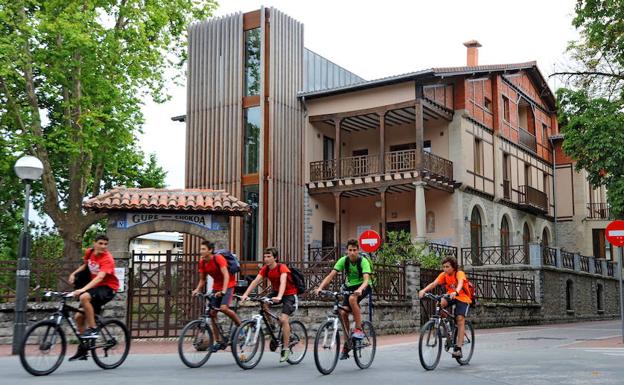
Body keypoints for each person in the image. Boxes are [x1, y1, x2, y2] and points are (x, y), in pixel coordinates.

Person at [314, 239, 372, 359]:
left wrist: (360, 289)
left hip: (363, 286)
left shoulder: (363, 261)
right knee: (343, 312)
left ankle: (358, 329)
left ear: (358, 250)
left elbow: (366, 279)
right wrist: (320, 288)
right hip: (349, 287)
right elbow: (331, 275)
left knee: (352, 299)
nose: (352, 253)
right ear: (346, 251)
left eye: (354, 250)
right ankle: (347, 344)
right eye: (350, 250)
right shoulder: (343, 260)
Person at [241, 247, 298, 363]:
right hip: (276, 292)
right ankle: (272, 326)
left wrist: (279, 297)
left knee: (283, 319)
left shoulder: (282, 267)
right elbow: (255, 281)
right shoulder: (265, 269)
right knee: (264, 304)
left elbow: (283, 282)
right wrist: (245, 294)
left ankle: (286, 348)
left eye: (269, 256)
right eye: (265, 256)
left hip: (289, 294)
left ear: (275, 258)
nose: (266, 259)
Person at [67, 234, 119, 361]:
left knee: (84, 297)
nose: (103, 246)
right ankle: (84, 349)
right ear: (94, 243)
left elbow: (100, 277)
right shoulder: (89, 252)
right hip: (95, 288)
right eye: (100, 243)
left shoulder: (108, 259)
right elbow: (85, 266)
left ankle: (93, 328)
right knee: (78, 317)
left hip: (108, 288)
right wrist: (74, 273)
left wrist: (83, 289)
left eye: (106, 244)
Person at [191, 240, 242, 352]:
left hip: (228, 285)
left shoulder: (218, 258)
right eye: (201, 249)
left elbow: (226, 275)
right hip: (216, 287)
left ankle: (241, 326)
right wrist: (197, 289)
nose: (201, 251)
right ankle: (219, 342)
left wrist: (223, 291)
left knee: (224, 308)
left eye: (203, 249)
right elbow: (202, 279)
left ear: (210, 250)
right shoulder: (202, 262)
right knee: (212, 313)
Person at [418, 256, 471, 358]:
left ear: (453, 267)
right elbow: (434, 284)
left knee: (460, 318)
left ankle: (458, 349)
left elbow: (460, 283)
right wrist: (423, 291)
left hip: (463, 297)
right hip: (450, 295)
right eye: (444, 267)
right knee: (440, 303)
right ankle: (448, 327)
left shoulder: (459, 273)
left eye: (447, 267)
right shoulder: (444, 275)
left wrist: (456, 291)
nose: (445, 269)